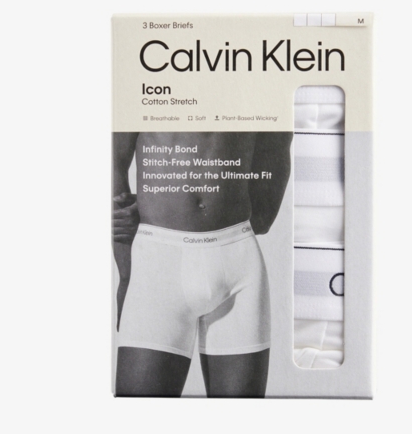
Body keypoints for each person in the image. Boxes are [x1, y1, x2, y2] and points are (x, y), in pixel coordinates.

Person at [112, 131, 292, 397]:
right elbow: (112, 161)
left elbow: (264, 214)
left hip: (238, 268)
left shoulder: (266, 101)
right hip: (159, 260)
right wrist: (126, 273)